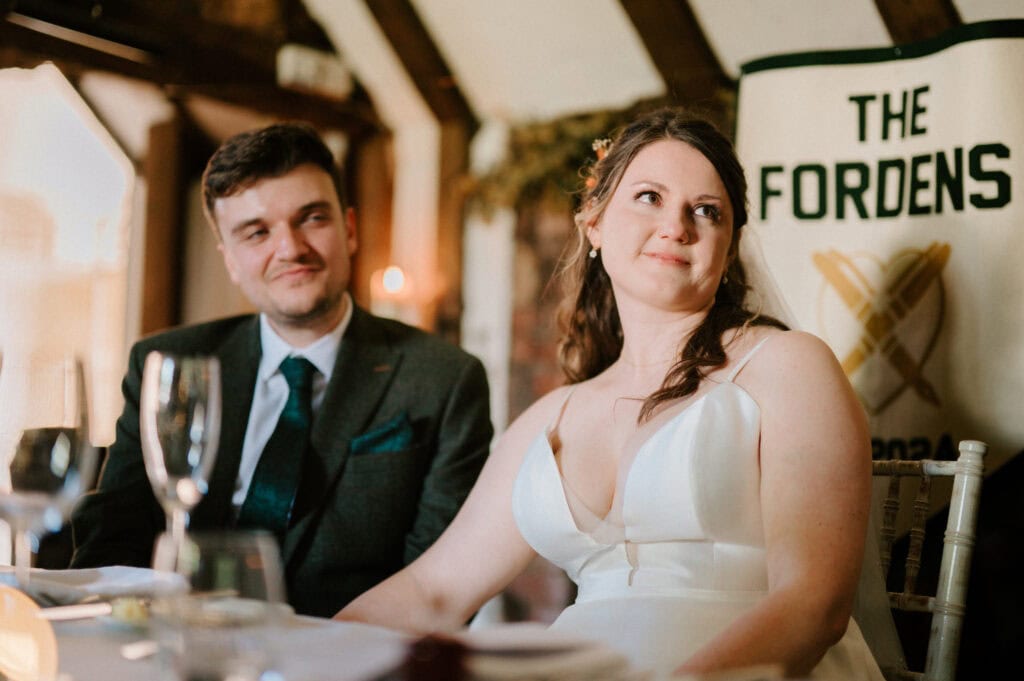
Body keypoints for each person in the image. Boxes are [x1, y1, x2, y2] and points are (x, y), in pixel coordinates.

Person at [336, 108, 885, 680]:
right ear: (593, 223)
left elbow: (813, 605)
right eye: (649, 197)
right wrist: (299, 647)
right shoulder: (554, 415)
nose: (677, 226)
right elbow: (434, 591)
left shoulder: (788, 365)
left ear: (728, 249)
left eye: (706, 211)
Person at [70, 123, 494, 618]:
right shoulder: (165, 364)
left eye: (311, 218)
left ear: (349, 229)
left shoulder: (443, 379)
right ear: (229, 259)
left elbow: (440, 583)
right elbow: (113, 543)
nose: (291, 248)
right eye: (257, 232)